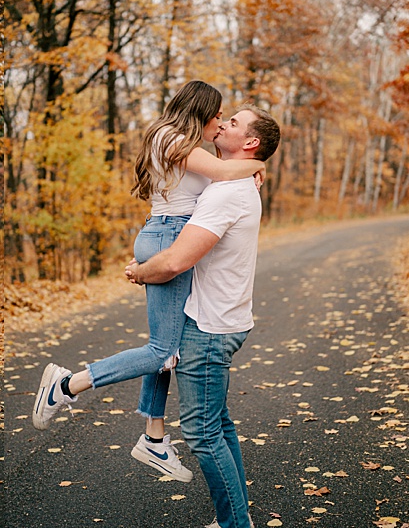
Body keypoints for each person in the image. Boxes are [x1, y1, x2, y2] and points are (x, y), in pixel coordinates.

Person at [32, 81, 265, 482]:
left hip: (168, 230)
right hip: (170, 232)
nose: (218, 122)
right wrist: (257, 165)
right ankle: (66, 385)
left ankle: (154, 437)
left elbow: (216, 181)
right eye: (216, 115)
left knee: (169, 347)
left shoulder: (179, 142)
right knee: (162, 350)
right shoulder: (169, 137)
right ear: (199, 110)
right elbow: (226, 171)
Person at [125, 105, 281, 528]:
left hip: (210, 326)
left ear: (249, 142)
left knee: (202, 432)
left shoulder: (228, 190)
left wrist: (140, 271)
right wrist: (255, 165)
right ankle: (235, 518)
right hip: (222, 318)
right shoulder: (231, 180)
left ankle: (236, 524)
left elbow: (176, 260)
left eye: (234, 123)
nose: (223, 123)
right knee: (218, 424)